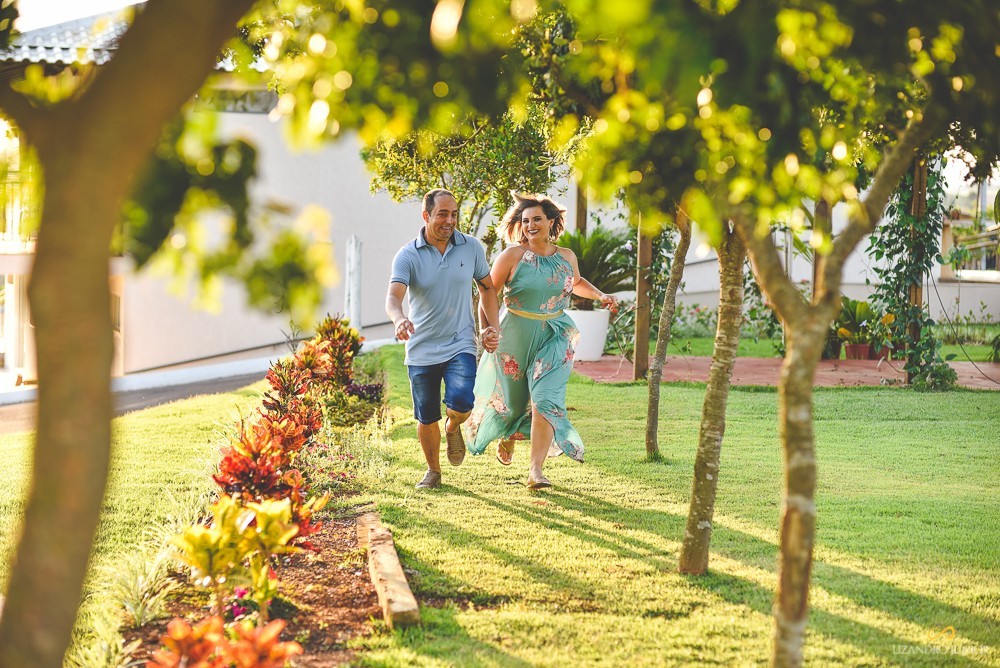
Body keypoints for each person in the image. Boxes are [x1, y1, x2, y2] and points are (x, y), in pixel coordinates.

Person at [464, 193, 617, 489]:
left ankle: (536, 471)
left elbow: (576, 282)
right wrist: (488, 330)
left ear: (551, 221)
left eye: (537, 219)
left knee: (545, 397)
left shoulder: (566, 256)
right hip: (515, 333)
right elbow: (487, 293)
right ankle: (508, 434)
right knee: (513, 402)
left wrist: (600, 295)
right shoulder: (511, 256)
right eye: (525, 221)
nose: (531, 225)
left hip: (556, 333)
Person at [386, 188, 500, 490]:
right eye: (442, 214)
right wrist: (399, 320)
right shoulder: (408, 255)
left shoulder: (471, 248)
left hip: (459, 341)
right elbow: (394, 297)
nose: (450, 221)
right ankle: (433, 471)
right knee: (426, 416)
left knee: (462, 401)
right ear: (426, 216)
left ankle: (454, 426)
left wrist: (492, 327)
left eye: (453, 214)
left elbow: (488, 289)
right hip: (421, 348)